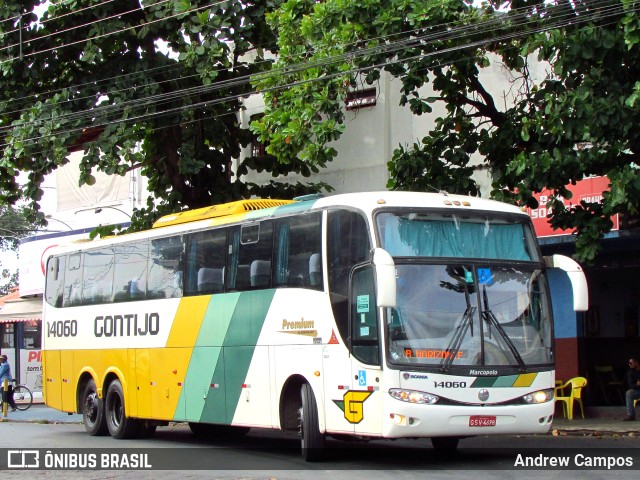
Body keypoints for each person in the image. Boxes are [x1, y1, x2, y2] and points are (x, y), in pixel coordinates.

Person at [623, 356, 640, 421]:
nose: (629, 364)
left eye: (631, 363)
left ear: (636, 363)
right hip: (638, 390)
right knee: (629, 393)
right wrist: (637, 385)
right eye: (629, 363)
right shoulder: (630, 372)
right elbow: (631, 385)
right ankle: (631, 415)